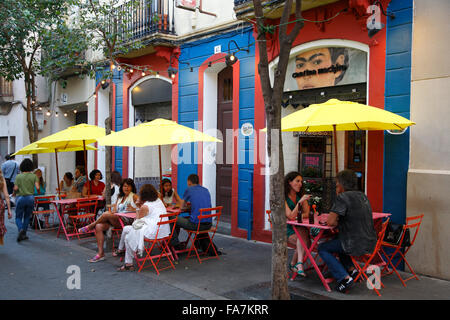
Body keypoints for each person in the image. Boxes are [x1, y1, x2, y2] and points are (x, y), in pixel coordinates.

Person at [318, 169, 377, 293]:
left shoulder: (343, 198)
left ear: (342, 184)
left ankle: (344, 278)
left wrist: (337, 220)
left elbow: (330, 222)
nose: (336, 185)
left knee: (323, 248)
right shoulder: (362, 196)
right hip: (369, 241)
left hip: (353, 243)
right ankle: (352, 270)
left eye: (337, 182)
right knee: (337, 241)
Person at [78, 178, 138, 263]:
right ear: (122, 187)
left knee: (106, 214)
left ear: (132, 187)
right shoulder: (120, 197)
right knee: (99, 226)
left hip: (127, 221)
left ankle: (90, 226)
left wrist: (134, 209)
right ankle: (100, 253)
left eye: (129, 186)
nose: (126, 188)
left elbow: (143, 209)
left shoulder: (134, 196)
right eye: (125, 186)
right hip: (117, 219)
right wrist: (113, 211)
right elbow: (116, 210)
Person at [116, 184, 169, 271]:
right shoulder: (159, 201)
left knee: (128, 237)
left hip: (152, 233)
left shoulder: (145, 206)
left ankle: (128, 263)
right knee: (126, 229)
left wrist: (137, 206)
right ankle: (120, 249)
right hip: (163, 231)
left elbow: (136, 221)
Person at [171, 174, 219, 255]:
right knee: (186, 218)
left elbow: (182, 207)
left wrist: (183, 206)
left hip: (196, 225)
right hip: (208, 224)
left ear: (189, 182)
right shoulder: (206, 190)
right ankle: (179, 244)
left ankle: (174, 244)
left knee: (172, 218)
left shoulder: (189, 189)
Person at [284, 171, 312, 277]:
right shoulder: (284, 197)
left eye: (301, 181)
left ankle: (294, 264)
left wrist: (297, 217)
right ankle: (298, 264)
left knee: (304, 237)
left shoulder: (300, 196)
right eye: (297, 181)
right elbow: (289, 215)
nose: (300, 184)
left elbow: (307, 213)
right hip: (287, 229)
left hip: (299, 227)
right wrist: (299, 203)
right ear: (289, 182)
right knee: (306, 242)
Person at [13, 158, 39, 242]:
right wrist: (37, 191)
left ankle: (20, 229)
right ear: (31, 167)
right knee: (27, 216)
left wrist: (14, 192)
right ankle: (24, 234)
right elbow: (38, 187)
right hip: (30, 198)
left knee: (18, 216)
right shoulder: (34, 176)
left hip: (20, 198)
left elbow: (15, 188)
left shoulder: (18, 176)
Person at [0, 167, 12, 245]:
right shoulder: (1, 178)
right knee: (0, 224)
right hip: (0, 204)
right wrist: (9, 210)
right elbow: (6, 195)